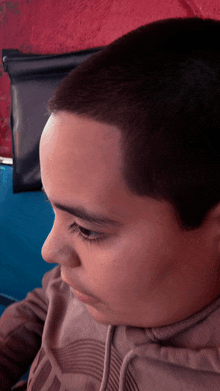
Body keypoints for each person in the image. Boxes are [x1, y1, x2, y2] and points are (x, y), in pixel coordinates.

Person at [2, 17, 220, 391]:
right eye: (56, 213)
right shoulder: (87, 281)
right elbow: (45, 305)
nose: (50, 250)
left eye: (86, 229)